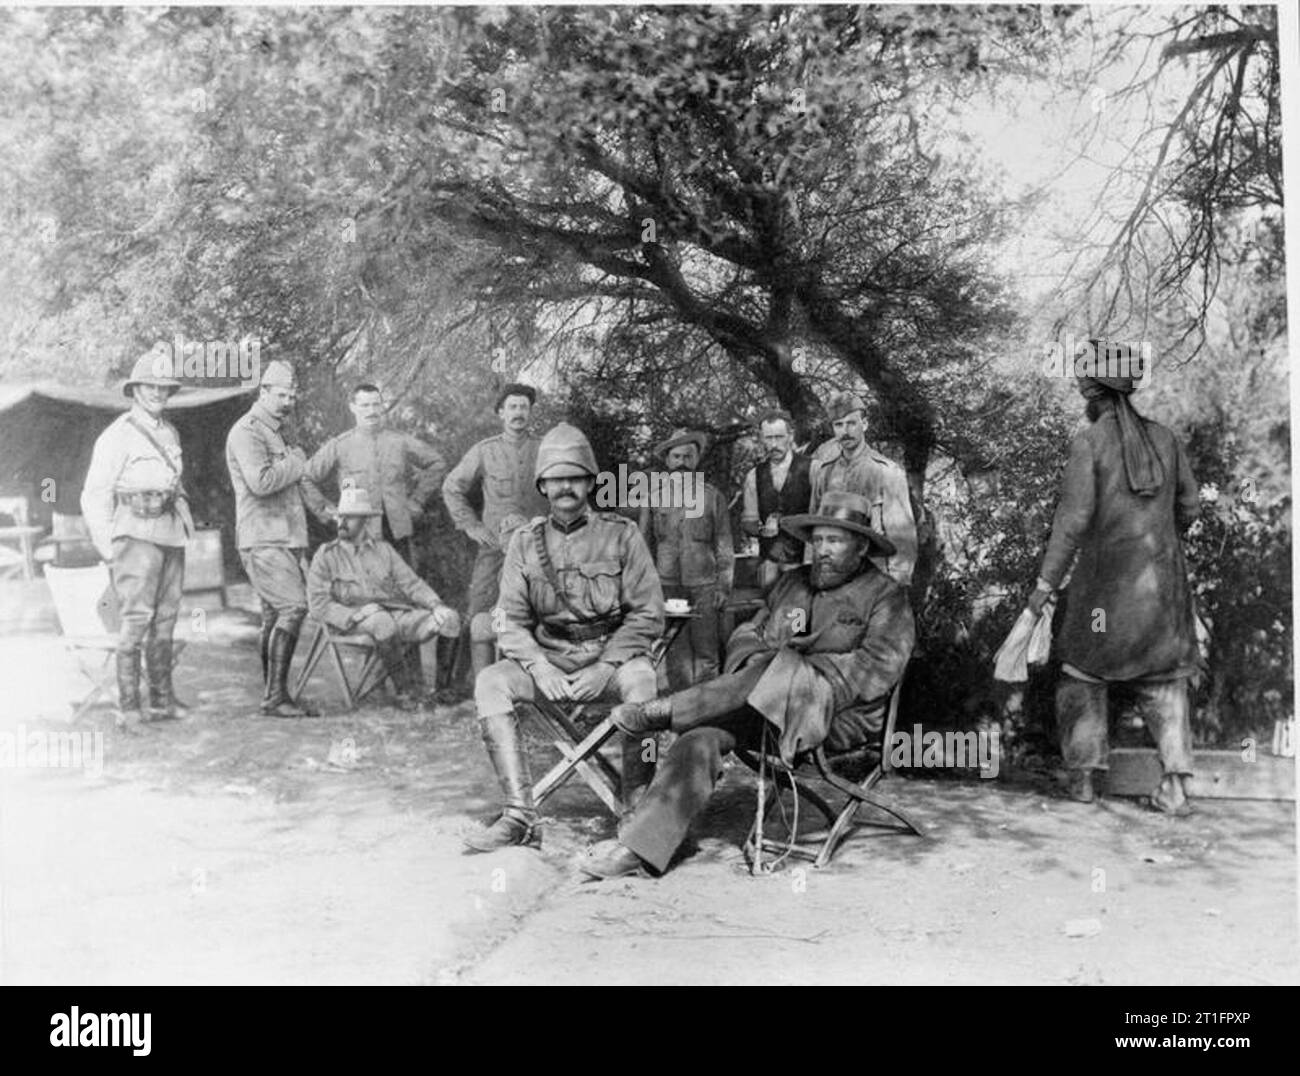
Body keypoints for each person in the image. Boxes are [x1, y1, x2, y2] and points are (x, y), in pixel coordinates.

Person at [579, 490, 914, 879]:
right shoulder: (793, 583)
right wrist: (758, 659)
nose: (822, 550)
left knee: (778, 669)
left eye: (835, 541)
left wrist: (799, 674)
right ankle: (640, 848)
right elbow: (748, 631)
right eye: (818, 540)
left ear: (860, 547)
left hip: (837, 715)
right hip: (759, 701)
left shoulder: (887, 597)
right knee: (699, 738)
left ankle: (662, 712)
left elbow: (878, 667)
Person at [464, 422, 664, 853]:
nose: (566, 487)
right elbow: (506, 620)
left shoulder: (622, 535)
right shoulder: (523, 543)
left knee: (643, 685)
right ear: (543, 485)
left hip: (609, 658)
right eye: (556, 479)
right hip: (548, 660)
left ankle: (637, 811)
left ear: (591, 482)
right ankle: (519, 814)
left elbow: (648, 613)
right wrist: (537, 664)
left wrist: (608, 665)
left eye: (575, 477)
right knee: (491, 683)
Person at [1027, 364, 1201, 814]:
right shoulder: (1166, 438)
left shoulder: (1088, 442)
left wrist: (1045, 584)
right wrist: (1159, 538)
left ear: (1091, 394)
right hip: (1162, 589)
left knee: (1081, 674)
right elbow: (1190, 506)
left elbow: (1072, 522)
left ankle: (1084, 780)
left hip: (1104, 592)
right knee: (1165, 683)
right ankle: (1176, 787)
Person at [81, 351, 195, 729]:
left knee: (167, 619)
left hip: (169, 531)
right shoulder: (118, 434)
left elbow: (174, 481)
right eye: (150, 385)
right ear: (135, 389)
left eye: (164, 387)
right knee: (135, 620)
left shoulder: (171, 432)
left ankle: (161, 700)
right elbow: (94, 494)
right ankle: (129, 707)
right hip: (134, 534)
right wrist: (107, 547)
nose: (158, 392)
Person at [225, 359, 324, 718]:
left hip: (284, 538)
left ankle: (275, 694)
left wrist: (327, 512)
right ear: (263, 392)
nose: (287, 401)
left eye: (292, 395)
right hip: (263, 537)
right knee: (293, 608)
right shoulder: (247, 431)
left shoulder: (279, 432)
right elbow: (261, 481)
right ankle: (276, 697)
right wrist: (297, 461)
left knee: (273, 616)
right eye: (281, 394)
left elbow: (297, 483)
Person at [306, 486, 460, 709]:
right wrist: (358, 614)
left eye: (349, 517)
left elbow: (412, 584)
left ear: (365, 521)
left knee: (451, 619)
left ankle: (442, 692)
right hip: (350, 623)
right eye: (340, 516)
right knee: (382, 621)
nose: (342, 522)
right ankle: (405, 693)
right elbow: (318, 605)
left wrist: (436, 605)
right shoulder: (326, 555)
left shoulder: (384, 550)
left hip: (393, 615)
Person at [442, 383, 548, 681]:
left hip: (537, 548)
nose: (518, 413)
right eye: (512, 407)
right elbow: (452, 487)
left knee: (541, 612)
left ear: (530, 412)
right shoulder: (485, 450)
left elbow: (565, 490)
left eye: (523, 407)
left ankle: (534, 685)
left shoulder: (545, 449)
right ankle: (482, 687)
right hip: (495, 550)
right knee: (479, 614)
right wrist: (472, 525)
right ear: (501, 413)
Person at [302, 382, 447, 570]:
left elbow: (437, 463)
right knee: (363, 592)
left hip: (398, 533)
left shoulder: (399, 440)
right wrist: (329, 512)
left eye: (376, 404)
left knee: (404, 589)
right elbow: (305, 478)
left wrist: (417, 501)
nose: (372, 411)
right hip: (359, 535)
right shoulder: (340, 445)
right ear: (352, 408)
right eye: (365, 405)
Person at [637, 428, 732, 690]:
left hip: (704, 585)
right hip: (667, 586)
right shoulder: (653, 497)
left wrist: (724, 585)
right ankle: (680, 712)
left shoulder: (713, 497)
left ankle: (705, 712)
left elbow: (724, 543)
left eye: (688, 457)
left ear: (696, 460)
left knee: (706, 654)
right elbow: (643, 546)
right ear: (667, 461)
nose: (682, 463)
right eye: (676, 456)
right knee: (676, 653)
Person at [811, 392, 918, 586]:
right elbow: (814, 528)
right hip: (832, 577)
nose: (845, 431)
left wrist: (898, 583)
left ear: (865, 424)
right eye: (838, 425)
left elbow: (901, 536)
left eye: (851, 423)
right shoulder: (824, 472)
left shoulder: (886, 471)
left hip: (872, 576)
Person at [739, 409, 815, 592]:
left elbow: (821, 519)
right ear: (762, 439)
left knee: (800, 614)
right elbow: (749, 522)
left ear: (790, 436)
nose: (774, 444)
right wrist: (762, 528)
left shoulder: (813, 469)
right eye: (768, 438)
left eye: (779, 437)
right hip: (769, 565)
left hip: (804, 562)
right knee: (770, 612)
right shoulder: (754, 475)